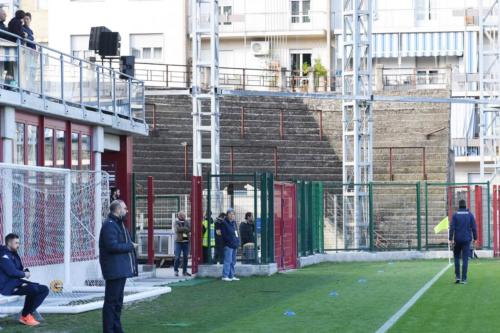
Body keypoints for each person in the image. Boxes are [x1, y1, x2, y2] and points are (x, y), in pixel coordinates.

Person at [99, 200, 138, 333]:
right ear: (117, 210)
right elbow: (112, 246)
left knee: (117, 303)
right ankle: (109, 330)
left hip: (119, 269)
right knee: (111, 303)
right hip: (114, 269)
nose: (127, 211)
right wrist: (130, 246)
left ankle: (117, 329)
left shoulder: (118, 224)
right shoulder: (109, 225)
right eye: (125, 209)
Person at [0, 233, 49, 327]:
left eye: (18, 243)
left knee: (44, 289)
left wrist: (24, 271)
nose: (18, 245)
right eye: (16, 243)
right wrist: (24, 274)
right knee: (33, 289)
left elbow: (18, 269)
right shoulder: (3, 255)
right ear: (9, 243)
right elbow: (12, 272)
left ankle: (26, 314)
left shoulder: (13, 253)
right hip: (6, 287)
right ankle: (25, 316)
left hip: (16, 283)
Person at [449, 199, 478, 284]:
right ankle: (464, 279)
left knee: (457, 257)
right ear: (465, 206)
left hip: (457, 239)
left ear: (459, 206)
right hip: (466, 240)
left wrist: (450, 238)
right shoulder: (470, 215)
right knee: (465, 258)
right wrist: (475, 238)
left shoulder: (455, 215)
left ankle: (458, 277)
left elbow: (452, 228)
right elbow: (474, 228)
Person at [220, 208, 240, 282]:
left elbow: (236, 233)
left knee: (233, 261)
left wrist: (237, 241)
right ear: (227, 215)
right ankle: (225, 275)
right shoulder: (224, 223)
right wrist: (230, 241)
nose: (232, 215)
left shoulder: (234, 223)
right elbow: (224, 235)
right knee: (228, 260)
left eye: (233, 214)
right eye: (230, 214)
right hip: (228, 245)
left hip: (234, 244)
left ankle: (232, 275)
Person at [174, 211, 191, 277]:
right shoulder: (176, 222)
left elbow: (189, 229)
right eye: (181, 215)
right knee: (177, 257)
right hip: (178, 242)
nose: (182, 216)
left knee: (185, 257)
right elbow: (177, 230)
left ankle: (184, 271)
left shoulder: (187, 221)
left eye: (183, 215)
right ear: (178, 216)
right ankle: (176, 271)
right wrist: (185, 229)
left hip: (186, 241)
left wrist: (183, 229)